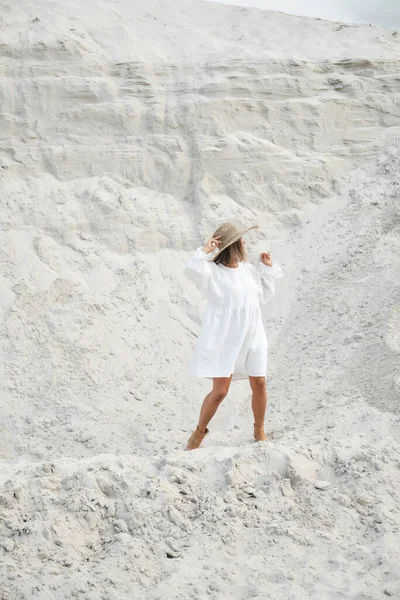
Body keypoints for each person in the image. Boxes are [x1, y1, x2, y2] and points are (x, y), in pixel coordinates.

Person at [182, 221, 284, 450]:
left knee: (259, 382)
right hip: (226, 338)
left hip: (253, 332)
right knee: (220, 392)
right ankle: (198, 434)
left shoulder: (248, 270)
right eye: (241, 239)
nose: (245, 242)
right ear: (232, 245)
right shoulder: (212, 272)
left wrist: (267, 268)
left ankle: (259, 430)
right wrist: (206, 250)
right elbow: (190, 270)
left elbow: (265, 296)